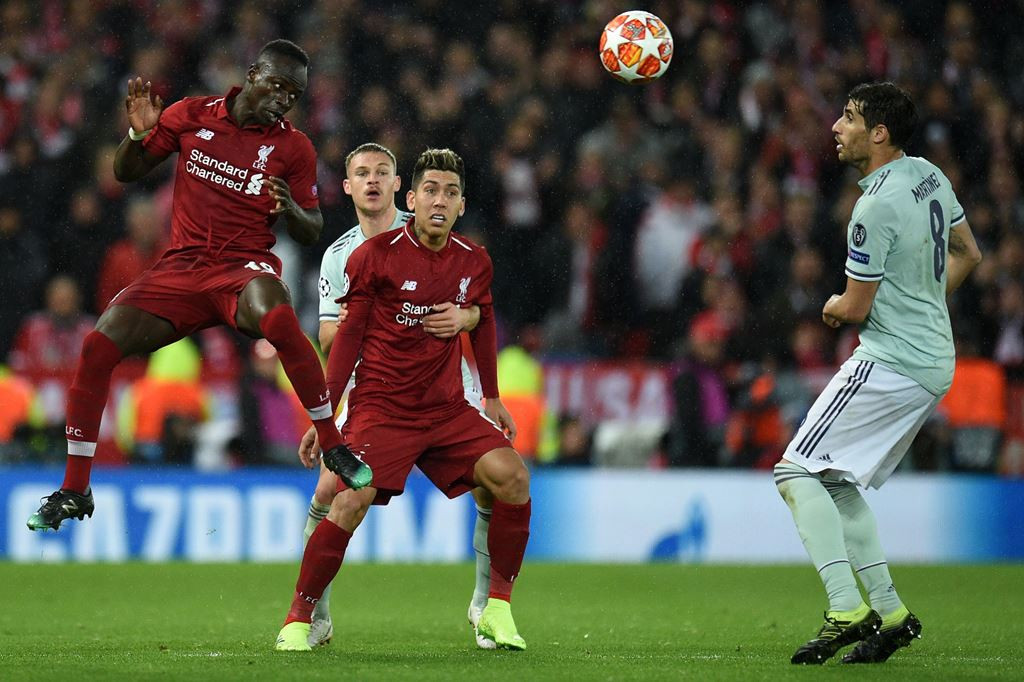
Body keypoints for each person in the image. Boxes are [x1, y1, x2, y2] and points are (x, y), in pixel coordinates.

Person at [27, 39, 371, 532]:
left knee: (277, 316)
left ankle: (333, 447)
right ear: (252, 74)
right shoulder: (193, 113)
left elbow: (311, 227)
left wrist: (291, 209)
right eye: (276, 85)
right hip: (182, 270)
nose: (282, 99)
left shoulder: (294, 147)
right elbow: (126, 171)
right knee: (99, 344)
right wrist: (137, 135)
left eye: (293, 94)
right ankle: (76, 488)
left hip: (243, 268)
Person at [275, 148, 531, 652]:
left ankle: (495, 608)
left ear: (459, 204)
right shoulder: (363, 256)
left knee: (512, 478)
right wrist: (325, 416)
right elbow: (342, 339)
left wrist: (493, 394)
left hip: (447, 409)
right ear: (414, 198)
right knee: (345, 500)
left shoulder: (473, 259)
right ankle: (300, 619)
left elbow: (484, 313)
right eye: (432, 190)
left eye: (451, 192)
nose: (440, 199)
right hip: (382, 410)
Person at [775, 82, 982, 665]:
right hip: (933, 357)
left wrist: (832, 305)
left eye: (848, 117)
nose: (836, 127)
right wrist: (925, 304)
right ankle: (890, 615)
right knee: (836, 480)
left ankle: (845, 606)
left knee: (793, 472)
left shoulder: (872, 208)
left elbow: (855, 307)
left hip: (892, 359)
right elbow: (970, 253)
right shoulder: (929, 175)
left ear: (879, 132)